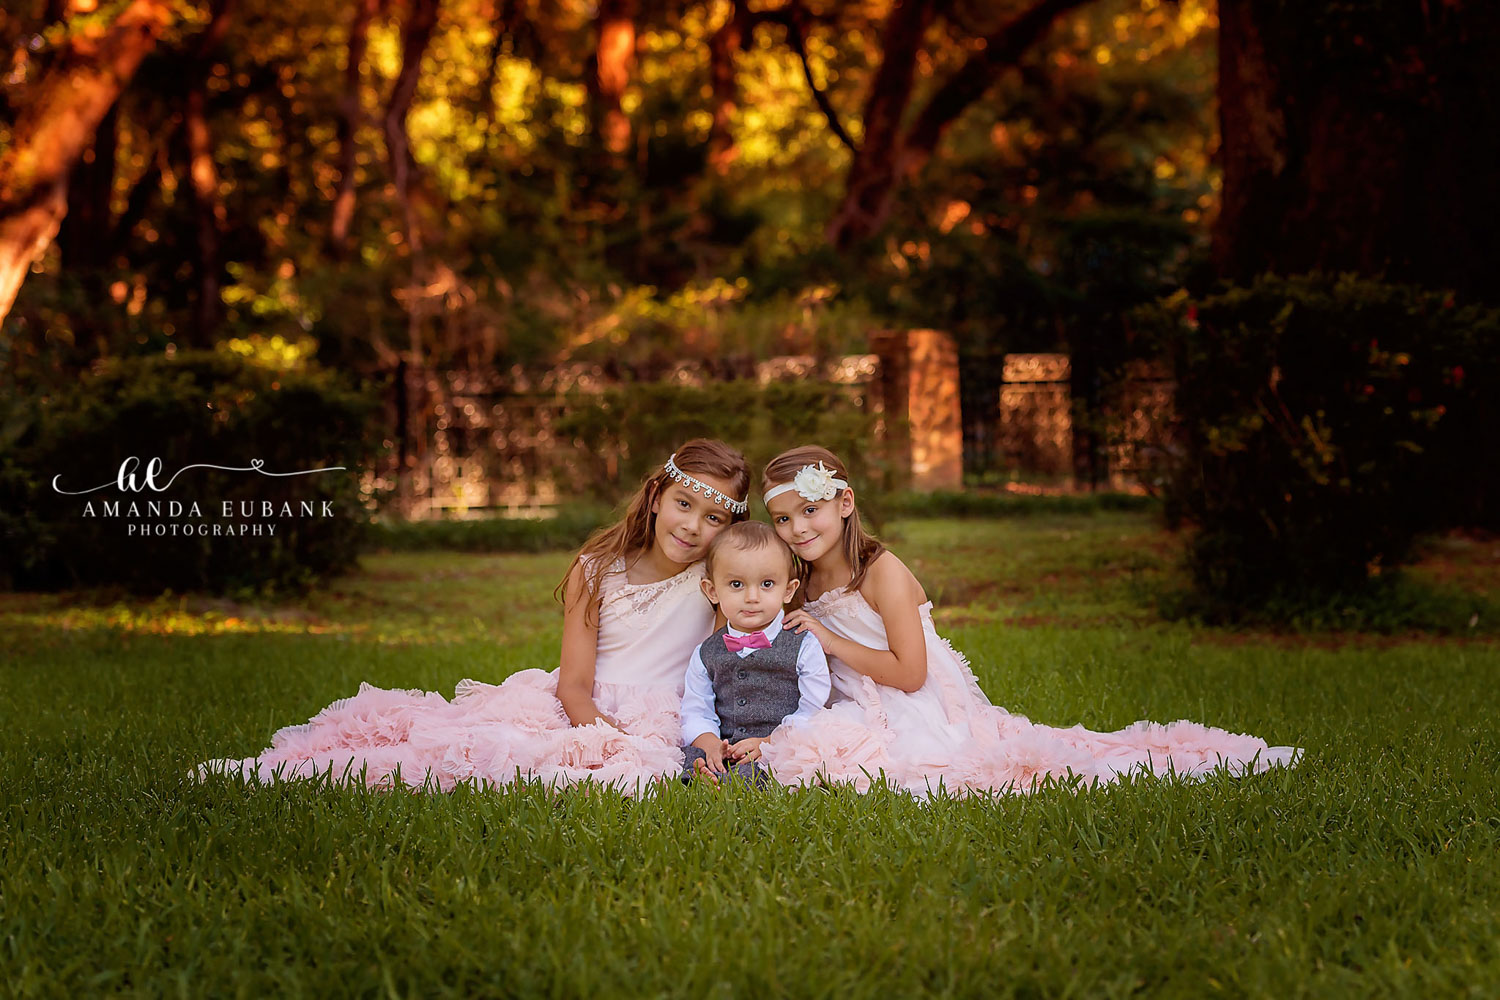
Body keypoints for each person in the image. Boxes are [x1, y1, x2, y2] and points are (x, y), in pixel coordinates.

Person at [196, 439, 751, 794]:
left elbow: (740, 659)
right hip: (580, 707)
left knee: (619, 777)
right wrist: (605, 735)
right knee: (470, 751)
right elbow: (575, 685)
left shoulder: (718, 587)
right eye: (685, 504)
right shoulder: (597, 569)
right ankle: (291, 771)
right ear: (656, 497)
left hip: (668, 714)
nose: (694, 526)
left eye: (715, 518)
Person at [756, 445, 1300, 798]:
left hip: (916, 703)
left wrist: (829, 639)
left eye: (810, 510)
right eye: (783, 519)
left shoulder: (882, 573)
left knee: (898, 772)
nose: (798, 528)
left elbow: (911, 674)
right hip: (854, 695)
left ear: (844, 502)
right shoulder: (797, 580)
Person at [679, 521, 830, 786]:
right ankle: (706, 773)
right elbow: (696, 710)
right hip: (726, 744)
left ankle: (725, 783)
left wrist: (770, 742)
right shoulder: (706, 653)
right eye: (736, 584)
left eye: (767, 584)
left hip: (780, 743)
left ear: (788, 589)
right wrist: (711, 742)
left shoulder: (803, 643)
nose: (752, 597)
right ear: (712, 591)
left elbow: (813, 708)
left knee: (761, 771)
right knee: (690, 755)